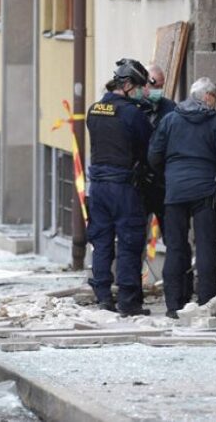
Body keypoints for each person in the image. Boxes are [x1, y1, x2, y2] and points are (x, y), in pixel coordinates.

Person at [148, 77, 216, 318]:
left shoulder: (170, 120)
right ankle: (207, 302)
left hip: (175, 192)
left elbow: (154, 155)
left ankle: (174, 304)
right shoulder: (215, 123)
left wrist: (169, 176)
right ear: (207, 97)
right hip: (205, 191)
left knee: (175, 246)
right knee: (206, 246)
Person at [85, 59, 154, 316]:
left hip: (98, 187)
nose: (142, 92)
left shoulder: (94, 110)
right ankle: (128, 301)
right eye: (139, 87)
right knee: (128, 242)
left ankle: (103, 297)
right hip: (123, 187)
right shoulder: (132, 114)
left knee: (101, 242)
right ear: (126, 85)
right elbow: (148, 148)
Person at [134, 64, 178, 231]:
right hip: (138, 181)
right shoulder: (132, 107)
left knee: (172, 232)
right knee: (136, 233)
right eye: (155, 86)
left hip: (163, 181)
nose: (158, 91)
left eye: (161, 86)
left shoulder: (171, 108)